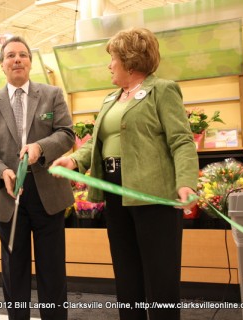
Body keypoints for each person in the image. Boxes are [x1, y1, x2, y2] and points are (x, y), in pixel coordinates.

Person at [52, 27, 199, 320]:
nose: (109, 65)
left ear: (130, 61)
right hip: (115, 193)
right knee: (126, 275)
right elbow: (97, 141)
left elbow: (181, 140)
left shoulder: (162, 90)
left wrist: (186, 183)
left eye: (113, 59)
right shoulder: (110, 99)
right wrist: (74, 161)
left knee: (160, 278)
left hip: (154, 196)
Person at [0, 36, 75, 320]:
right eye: (10, 55)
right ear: (2, 64)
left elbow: (67, 133)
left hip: (48, 195)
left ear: (30, 62)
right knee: (14, 272)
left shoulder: (51, 94)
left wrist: (41, 147)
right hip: (9, 196)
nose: (17, 59)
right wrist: (0, 171)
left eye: (23, 55)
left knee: (52, 270)